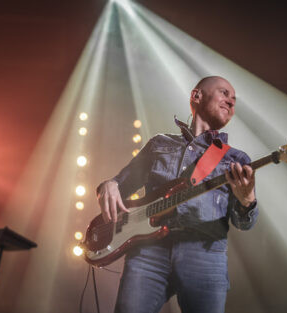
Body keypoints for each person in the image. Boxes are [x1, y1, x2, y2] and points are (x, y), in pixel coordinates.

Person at [97, 76, 259, 313]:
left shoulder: (236, 159)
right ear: (196, 96)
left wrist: (247, 200)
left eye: (234, 100)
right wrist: (108, 185)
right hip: (148, 252)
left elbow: (244, 223)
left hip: (204, 253)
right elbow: (119, 187)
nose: (231, 103)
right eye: (224, 93)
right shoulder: (158, 144)